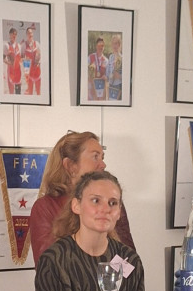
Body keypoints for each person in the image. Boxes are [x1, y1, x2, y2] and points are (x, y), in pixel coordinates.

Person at [30, 131, 134, 263]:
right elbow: (47, 268)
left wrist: (107, 277)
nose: (103, 165)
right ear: (71, 165)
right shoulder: (45, 207)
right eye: (95, 157)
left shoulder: (111, 202)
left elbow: (128, 262)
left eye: (102, 157)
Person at [87, 36, 109, 100]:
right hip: (91, 90)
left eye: (102, 45)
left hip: (101, 91)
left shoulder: (106, 60)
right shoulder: (90, 57)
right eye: (99, 45)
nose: (100, 47)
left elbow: (108, 78)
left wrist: (106, 77)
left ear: (104, 47)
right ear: (96, 46)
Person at [22, 25, 42, 95]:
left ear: (33, 34)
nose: (30, 34)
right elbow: (22, 58)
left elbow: (40, 56)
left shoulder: (37, 44)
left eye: (31, 33)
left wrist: (38, 62)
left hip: (37, 72)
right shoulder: (24, 45)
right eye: (28, 33)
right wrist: (25, 62)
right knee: (30, 94)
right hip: (29, 74)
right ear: (26, 35)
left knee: (38, 92)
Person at [3, 27, 23, 94]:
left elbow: (20, 59)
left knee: (18, 93)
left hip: (18, 72)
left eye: (15, 34)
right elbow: (3, 58)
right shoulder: (6, 45)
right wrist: (9, 63)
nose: (14, 36)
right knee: (11, 93)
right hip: (10, 72)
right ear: (9, 35)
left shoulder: (19, 46)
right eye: (12, 34)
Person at [107, 32, 123, 101]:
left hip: (119, 86)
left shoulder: (123, 58)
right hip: (111, 85)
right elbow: (107, 72)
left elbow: (128, 79)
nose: (114, 45)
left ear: (119, 45)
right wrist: (110, 76)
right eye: (113, 43)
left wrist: (119, 76)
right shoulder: (111, 57)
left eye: (116, 43)